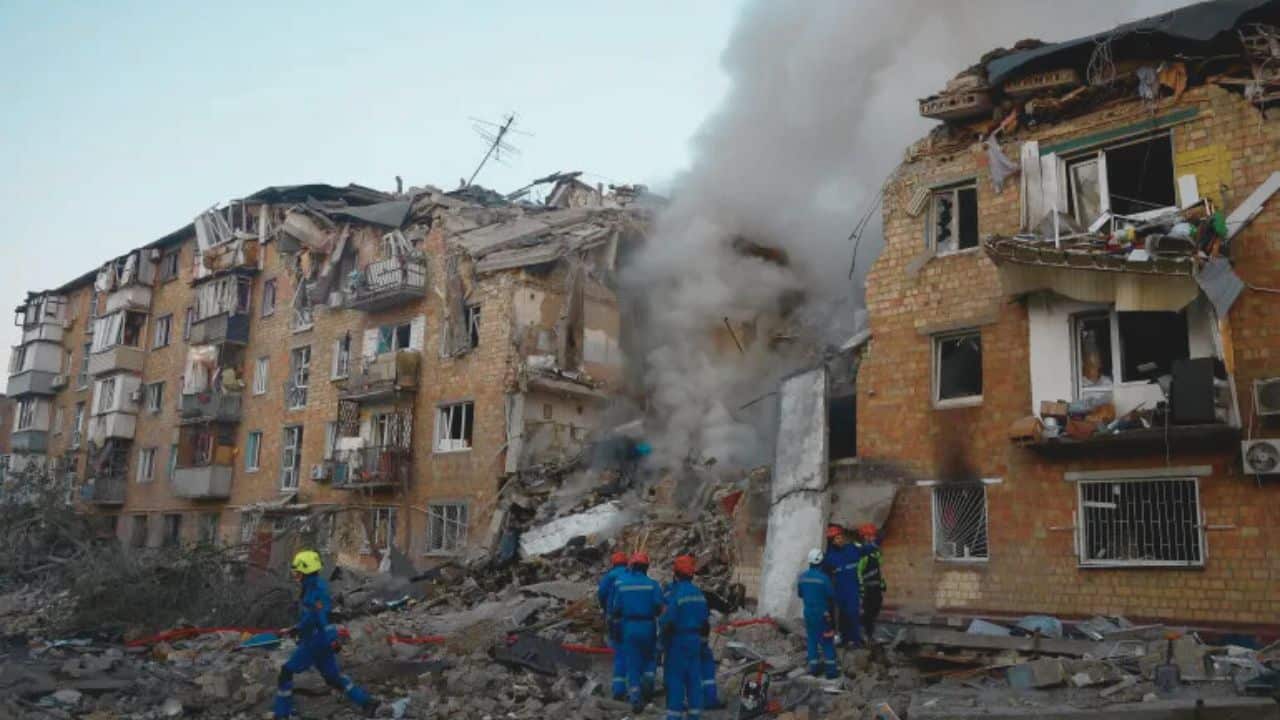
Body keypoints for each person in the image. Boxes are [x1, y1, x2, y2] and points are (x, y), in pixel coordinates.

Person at [274, 550, 377, 719]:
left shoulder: (316, 591)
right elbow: (311, 617)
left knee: (286, 672)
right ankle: (367, 702)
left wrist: (332, 639)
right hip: (320, 641)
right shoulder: (311, 587)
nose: (296, 576)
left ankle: (282, 714)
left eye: (298, 572)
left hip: (315, 642)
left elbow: (323, 617)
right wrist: (296, 629)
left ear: (307, 572)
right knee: (333, 678)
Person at [609, 551, 664, 712]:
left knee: (632, 662)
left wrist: (615, 630)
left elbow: (616, 610)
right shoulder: (653, 584)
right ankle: (648, 687)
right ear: (646, 567)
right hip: (648, 625)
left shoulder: (621, 584)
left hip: (629, 626)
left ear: (632, 566)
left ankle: (635, 697)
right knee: (650, 657)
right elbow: (659, 607)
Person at [661, 555, 710, 720]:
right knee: (694, 679)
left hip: (678, 641)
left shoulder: (677, 593)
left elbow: (668, 621)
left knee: (676, 679)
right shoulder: (699, 593)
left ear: (676, 573)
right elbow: (705, 622)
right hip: (695, 640)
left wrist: (662, 643)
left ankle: (674, 716)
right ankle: (695, 715)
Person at [821, 524, 868, 647]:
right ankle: (845, 639)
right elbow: (824, 576)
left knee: (853, 613)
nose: (840, 539)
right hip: (839, 590)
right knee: (842, 616)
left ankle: (855, 640)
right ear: (832, 541)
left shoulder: (852, 548)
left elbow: (866, 550)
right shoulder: (828, 557)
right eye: (837, 538)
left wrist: (874, 540)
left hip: (852, 588)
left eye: (841, 537)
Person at [797, 548, 839, 679]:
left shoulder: (802, 577)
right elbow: (831, 595)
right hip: (822, 614)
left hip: (808, 613)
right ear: (821, 562)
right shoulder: (824, 578)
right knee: (827, 640)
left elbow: (800, 594)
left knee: (811, 639)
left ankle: (814, 668)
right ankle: (831, 672)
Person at [597, 551, 631, 699]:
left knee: (619, 652)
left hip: (614, 618)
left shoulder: (610, 576)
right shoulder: (631, 574)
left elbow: (601, 593)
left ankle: (618, 688)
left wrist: (606, 608)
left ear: (613, 563)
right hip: (632, 619)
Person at [857, 524, 887, 642]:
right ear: (865, 537)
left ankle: (869, 634)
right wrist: (861, 588)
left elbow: (878, 569)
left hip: (876, 587)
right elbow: (858, 572)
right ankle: (864, 634)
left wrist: (882, 583)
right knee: (867, 612)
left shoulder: (875, 552)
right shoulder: (862, 552)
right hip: (867, 588)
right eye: (870, 536)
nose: (873, 538)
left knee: (875, 609)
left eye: (873, 536)